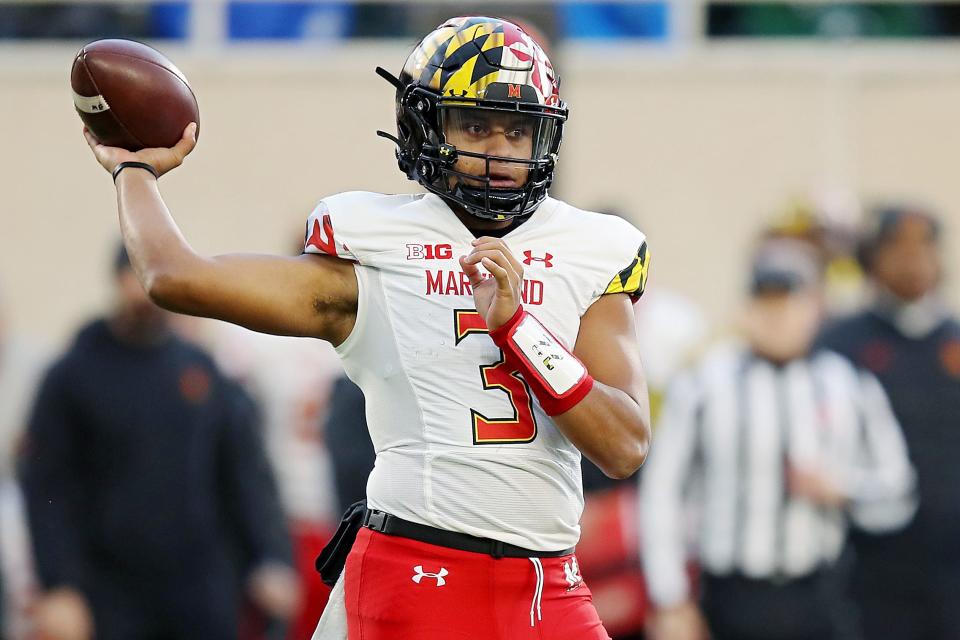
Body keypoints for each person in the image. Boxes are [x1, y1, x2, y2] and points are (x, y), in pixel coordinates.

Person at [81, 15, 651, 640]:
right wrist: (132, 170)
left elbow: (623, 446)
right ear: (424, 124)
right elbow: (173, 277)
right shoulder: (374, 249)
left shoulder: (591, 248)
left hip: (549, 584)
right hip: (416, 571)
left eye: (517, 131)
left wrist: (520, 328)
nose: (498, 150)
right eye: (476, 124)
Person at [19, 246, 298, 640]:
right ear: (118, 282)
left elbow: (244, 474)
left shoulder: (200, 370)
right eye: (137, 277)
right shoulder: (73, 375)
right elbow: (47, 486)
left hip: (200, 588)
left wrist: (269, 557)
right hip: (109, 590)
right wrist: (60, 586)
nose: (148, 291)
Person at [641, 239, 916, 640]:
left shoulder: (848, 386)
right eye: (767, 302)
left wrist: (844, 490)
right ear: (747, 309)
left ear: (815, 308)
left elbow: (900, 492)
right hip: (726, 595)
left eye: (790, 302)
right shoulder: (704, 385)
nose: (778, 316)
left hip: (819, 594)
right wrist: (670, 599)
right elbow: (661, 494)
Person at [818, 205, 960, 640]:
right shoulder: (840, 342)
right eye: (897, 249)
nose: (912, 262)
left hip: (952, 559)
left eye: (924, 249)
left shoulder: (953, 338)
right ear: (870, 260)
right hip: (871, 561)